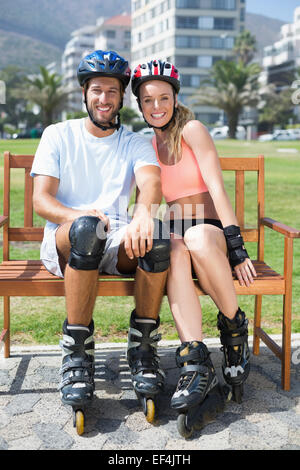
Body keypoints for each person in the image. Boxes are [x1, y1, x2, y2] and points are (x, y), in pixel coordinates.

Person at [30, 50, 170, 426]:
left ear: (122, 96)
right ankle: (77, 353)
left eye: (112, 90)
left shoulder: (135, 141)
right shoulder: (58, 134)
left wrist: (144, 215)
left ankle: (142, 348)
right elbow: (41, 200)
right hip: (67, 238)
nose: (104, 99)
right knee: (87, 230)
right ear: (84, 94)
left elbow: (151, 184)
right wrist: (83, 215)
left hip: (118, 236)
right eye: (96, 90)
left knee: (157, 235)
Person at [131, 59, 257, 410]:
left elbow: (217, 188)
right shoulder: (146, 147)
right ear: (139, 105)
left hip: (211, 231)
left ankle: (234, 331)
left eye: (163, 98)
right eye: (147, 100)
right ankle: (195, 358)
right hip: (178, 233)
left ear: (175, 98)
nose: (156, 106)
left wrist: (236, 247)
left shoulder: (192, 130)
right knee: (173, 249)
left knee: (197, 237)